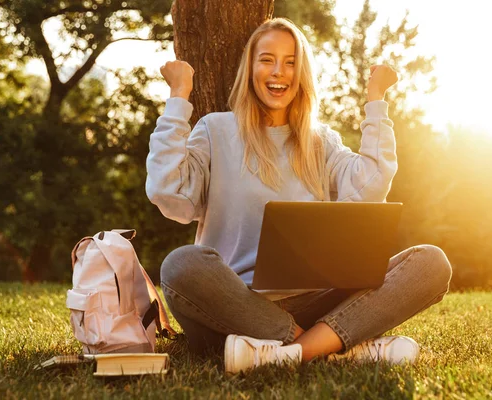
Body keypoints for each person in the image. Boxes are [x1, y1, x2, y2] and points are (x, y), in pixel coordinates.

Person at [146, 18, 452, 374]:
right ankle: (335, 347)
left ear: (302, 71)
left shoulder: (320, 140)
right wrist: (178, 97)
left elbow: (370, 188)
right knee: (181, 265)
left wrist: (376, 102)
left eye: (291, 61)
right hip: (235, 306)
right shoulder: (215, 129)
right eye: (267, 59)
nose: (279, 72)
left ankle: (287, 352)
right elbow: (168, 193)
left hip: (313, 300)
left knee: (431, 263)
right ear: (250, 68)